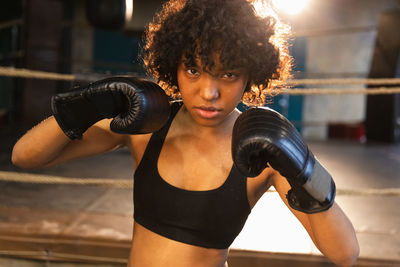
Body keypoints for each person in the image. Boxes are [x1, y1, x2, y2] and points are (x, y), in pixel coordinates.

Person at [12, 0, 360, 266]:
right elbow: (25, 156)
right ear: (173, 66)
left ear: (250, 75)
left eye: (227, 74)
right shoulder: (147, 127)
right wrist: (85, 107)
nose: (208, 92)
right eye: (193, 70)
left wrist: (303, 167)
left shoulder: (259, 154)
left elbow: (345, 253)